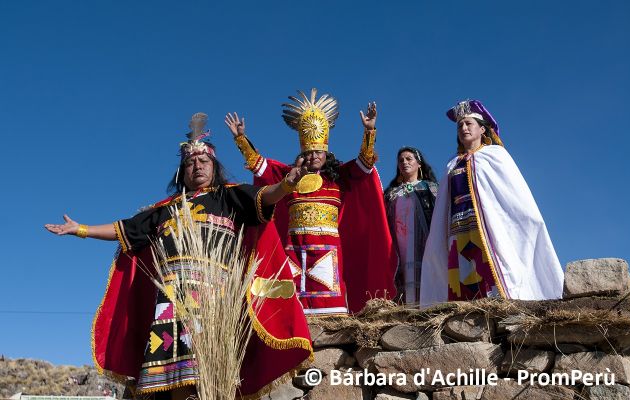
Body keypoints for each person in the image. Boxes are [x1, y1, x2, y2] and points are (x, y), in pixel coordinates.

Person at [45, 113, 313, 399]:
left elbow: (266, 196)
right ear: (182, 172)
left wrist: (286, 185)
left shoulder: (229, 197)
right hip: (170, 299)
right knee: (170, 369)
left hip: (215, 298)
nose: (197, 167)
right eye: (190, 163)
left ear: (214, 167)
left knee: (210, 364)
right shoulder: (164, 209)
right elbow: (125, 229)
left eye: (204, 162)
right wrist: (81, 229)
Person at [227, 88, 397, 315]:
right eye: (309, 152)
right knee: (293, 303)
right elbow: (261, 166)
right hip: (294, 246)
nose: (314, 156)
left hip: (328, 248)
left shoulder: (338, 178)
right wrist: (241, 139)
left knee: (329, 305)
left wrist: (369, 131)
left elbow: (364, 165)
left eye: (318, 151)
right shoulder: (290, 176)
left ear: (326, 152)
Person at [420, 100, 564, 306]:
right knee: (461, 270)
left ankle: (497, 306)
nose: (463, 128)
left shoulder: (496, 156)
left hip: (488, 226)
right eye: (460, 126)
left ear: (482, 128)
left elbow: (512, 196)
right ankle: (465, 311)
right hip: (458, 227)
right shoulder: (452, 163)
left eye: (469, 123)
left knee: (490, 266)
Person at [384, 147, 438, 304]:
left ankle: (426, 305)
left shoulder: (431, 188)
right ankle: (401, 308)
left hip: (423, 240)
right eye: (401, 160)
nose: (404, 162)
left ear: (419, 164)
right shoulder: (391, 193)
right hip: (397, 242)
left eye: (409, 159)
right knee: (400, 273)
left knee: (422, 271)